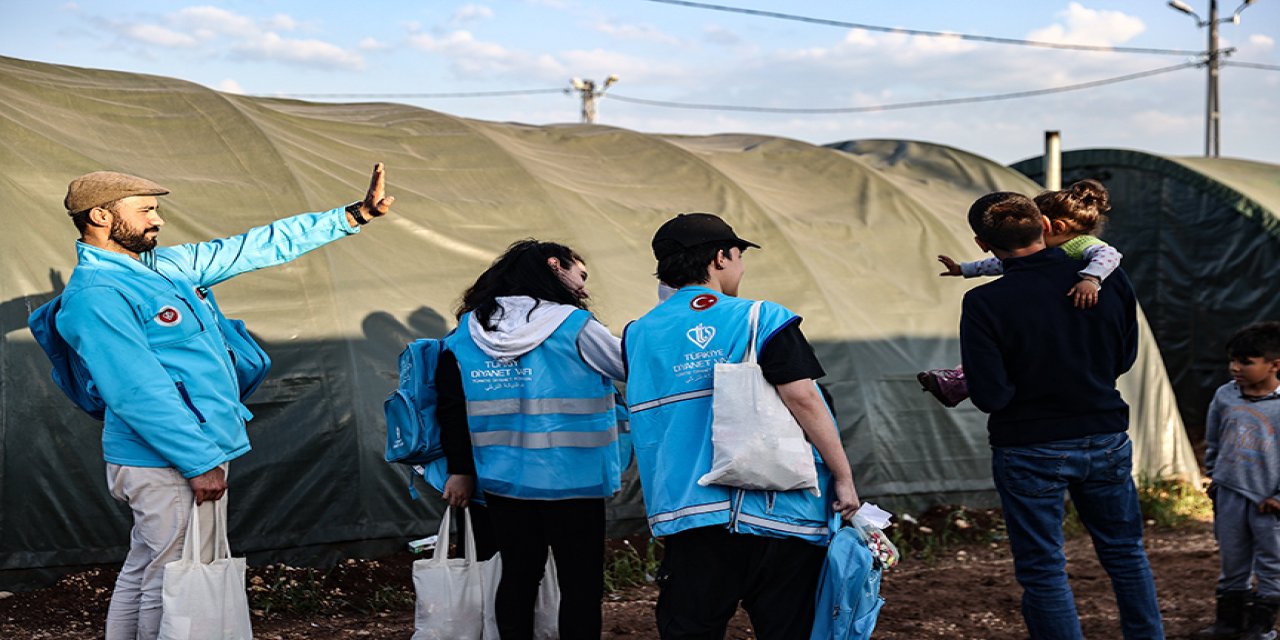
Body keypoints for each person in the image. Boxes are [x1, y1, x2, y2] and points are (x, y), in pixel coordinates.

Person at [35, 165, 394, 640]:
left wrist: (353, 215)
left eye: (156, 210)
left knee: (149, 565)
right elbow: (137, 390)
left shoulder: (163, 267)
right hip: (162, 458)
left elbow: (253, 246)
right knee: (169, 578)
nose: (157, 220)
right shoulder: (97, 295)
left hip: (188, 450)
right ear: (100, 215)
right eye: (144, 210)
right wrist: (199, 460)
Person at [622, 213, 860, 640]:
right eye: (738, 256)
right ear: (719, 258)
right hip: (779, 514)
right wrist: (843, 476)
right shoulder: (761, 317)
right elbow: (804, 398)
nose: (740, 266)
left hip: (688, 517)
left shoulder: (637, 334)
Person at [959, 191, 1163, 640]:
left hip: (1028, 445)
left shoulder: (984, 304)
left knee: (1044, 567)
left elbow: (992, 395)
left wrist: (965, 381)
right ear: (1044, 226)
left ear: (981, 244)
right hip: (1104, 434)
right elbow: (1123, 358)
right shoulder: (1108, 278)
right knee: (1126, 553)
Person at [437, 239, 625, 640]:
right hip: (575, 481)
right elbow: (630, 367)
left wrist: (460, 469)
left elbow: (452, 407)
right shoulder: (575, 325)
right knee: (581, 586)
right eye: (581, 275)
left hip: (504, 480)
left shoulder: (467, 333)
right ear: (554, 265)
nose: (585, 288)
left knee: (518, 579)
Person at [919, 179, 1121, 407]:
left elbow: (1110, 254)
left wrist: (1091, 279)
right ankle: (958, 380)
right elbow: (1122, 357)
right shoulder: (1116, 282)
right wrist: (963, 269)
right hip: (1103, 419)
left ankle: (958, 382)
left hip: (1027, 429)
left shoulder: (1086, 250)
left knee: (1001, 354)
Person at [1195, 321, 1280, 640]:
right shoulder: (1225, 396)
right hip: (1230, 496)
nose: (1235, 368)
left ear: (1275, 365)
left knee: (1272, 563)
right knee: (1233, 559)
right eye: (1232, 360)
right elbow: (1213, 439)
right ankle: (1229, 621)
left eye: (1246, 361)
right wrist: (1215, 477)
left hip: (1269, 504)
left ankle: (1261, 626)